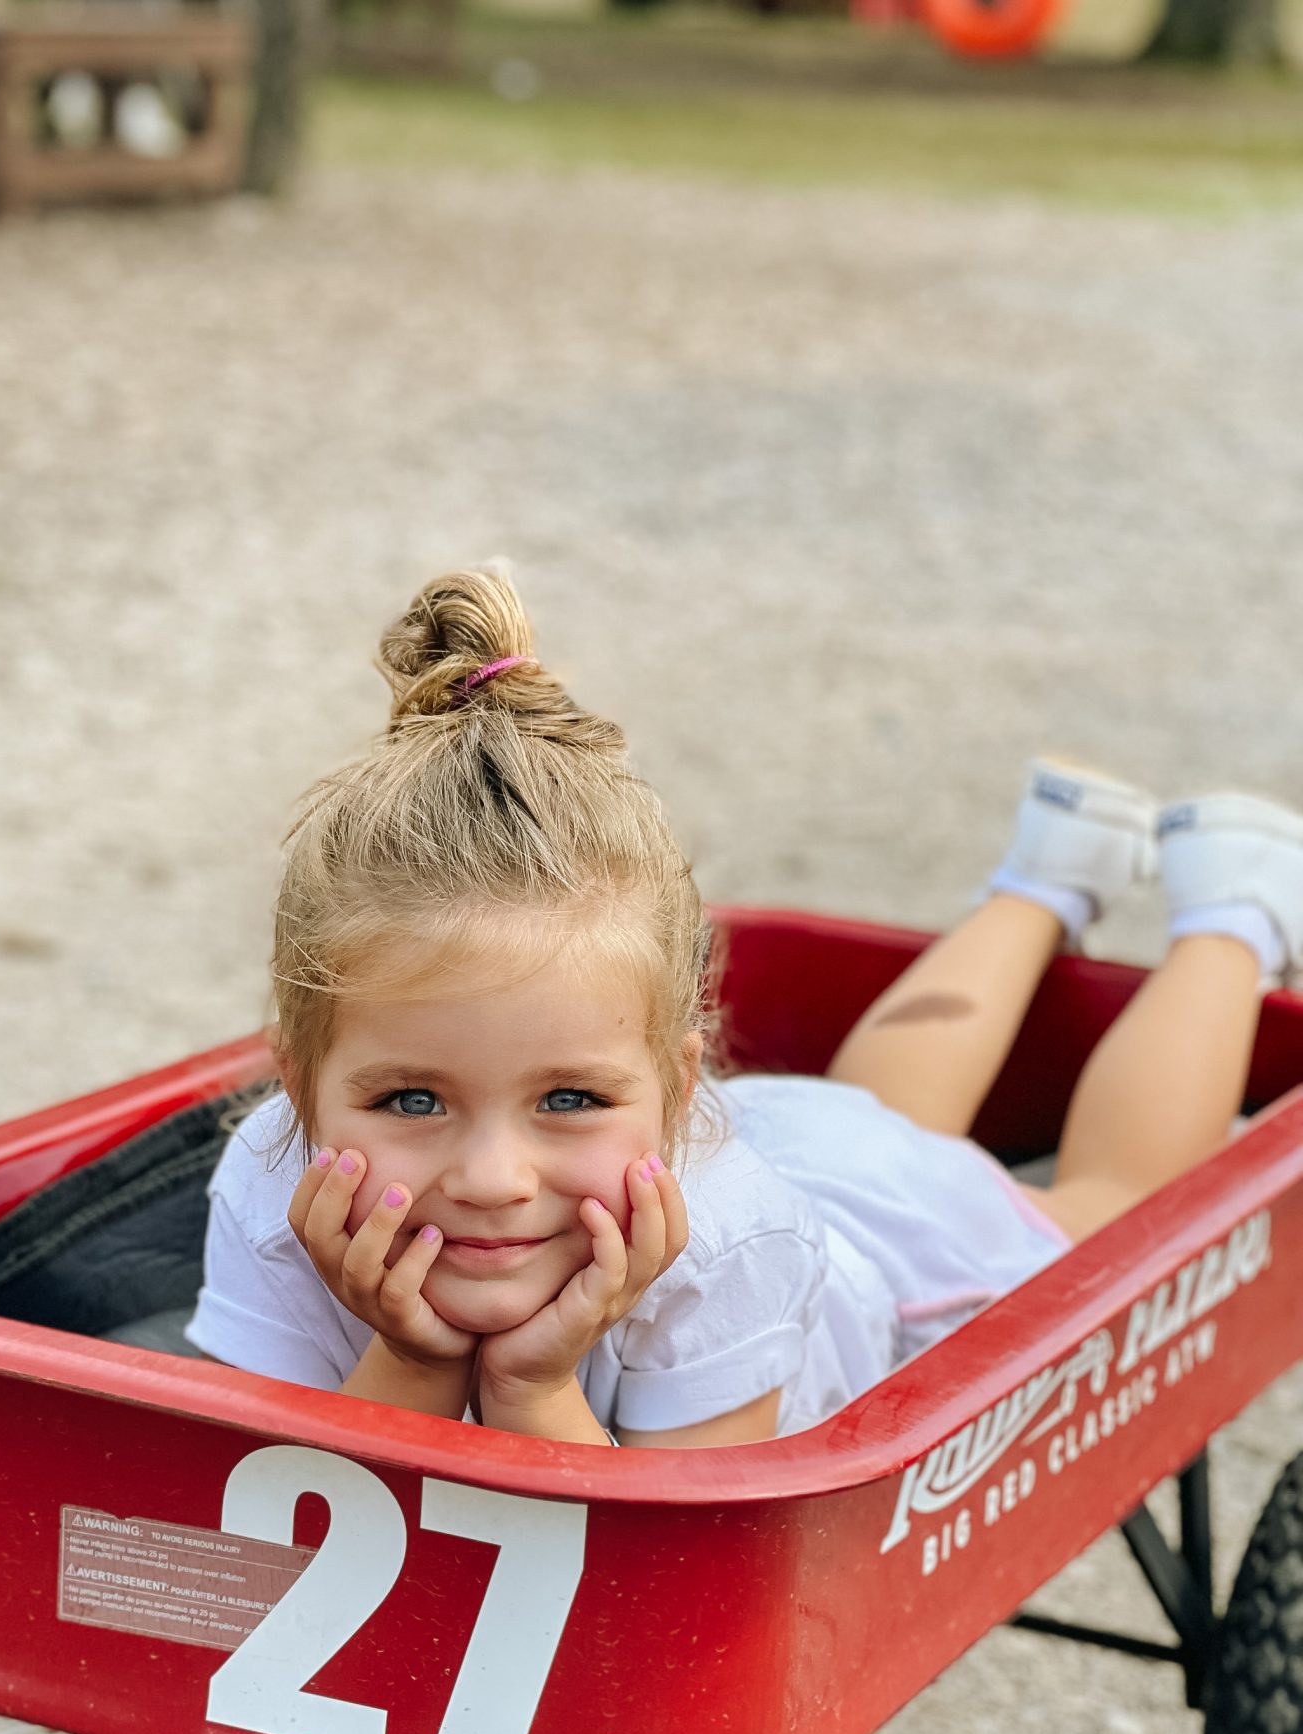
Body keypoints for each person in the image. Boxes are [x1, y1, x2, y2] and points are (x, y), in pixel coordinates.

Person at [184, 568, 1303, 1449]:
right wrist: (418, 1364)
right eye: (412, 1097)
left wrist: (525, 1381)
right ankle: (1045, 883)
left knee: (1098, 1209)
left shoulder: (725, 1253)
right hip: (794, 1140)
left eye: (568, 1096)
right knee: (877, 1114)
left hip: (891, 1272)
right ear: (300, 1090)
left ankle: (1233, 915)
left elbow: (642, 1602)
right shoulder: (269, 1181)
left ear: (678, 1087)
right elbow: (295, 1532)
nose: (492, 1178)